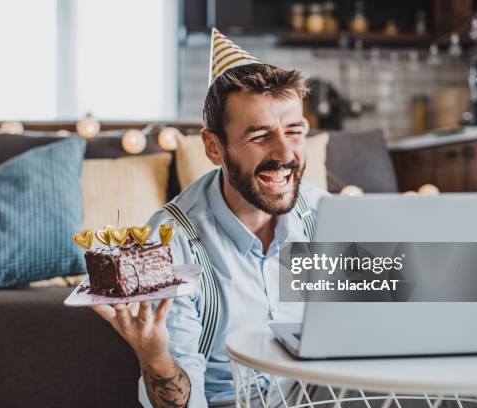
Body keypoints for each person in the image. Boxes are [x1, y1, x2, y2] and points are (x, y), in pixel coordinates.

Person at [91, 28, 327, 407]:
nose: (285, 153)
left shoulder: (321, 213)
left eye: (294, 131)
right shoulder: (168, 242)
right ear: (213, 147)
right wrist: (155, 359)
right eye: (261, 135)